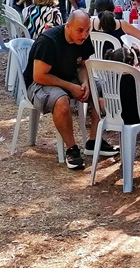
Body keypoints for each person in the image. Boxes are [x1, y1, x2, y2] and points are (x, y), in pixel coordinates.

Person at [24, 10, 117, 169]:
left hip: (68, 77)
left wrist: (85, 82)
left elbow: (82, 65)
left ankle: (94, 141)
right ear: (68, 27)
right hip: (40, 83)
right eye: (80, 30)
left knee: (101, 88)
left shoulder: (83, 39)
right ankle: (72, 149)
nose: (84, 35)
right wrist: (70, 87)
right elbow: (39, 76)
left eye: (87, 30)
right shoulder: (48, 41)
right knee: (62, 101)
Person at [103, 47, 140, 127]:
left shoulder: (110, 78)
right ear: (132, 63)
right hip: (136, 116)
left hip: (115, 115)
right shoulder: (136, 78)